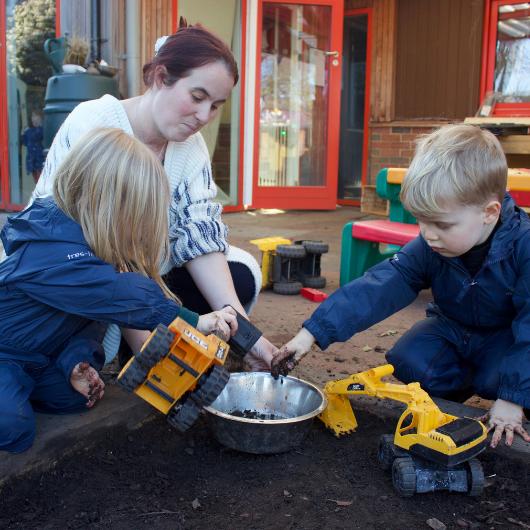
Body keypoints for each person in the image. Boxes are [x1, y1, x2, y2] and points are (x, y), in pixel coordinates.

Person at [30, 21, 276, 370]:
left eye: (216, 105)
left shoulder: (190, 147)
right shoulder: (96, 124)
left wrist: (250, 339)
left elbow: (199, 237)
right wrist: (149, 350)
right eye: (197, 97)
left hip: (146, 279)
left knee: (241, 277)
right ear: (161, 77)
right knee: (66, 348)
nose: (205, 116)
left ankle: (152, 336)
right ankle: (140, 345)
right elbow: (102, 250)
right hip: (80, 274)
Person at [272, 124, 530, 449]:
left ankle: (516, 404)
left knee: (500, 380)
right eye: (421, 221)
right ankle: (455, 395)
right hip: (454, 328)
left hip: (506, 338)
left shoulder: (523, 245)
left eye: (441, 224)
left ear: (489, 213)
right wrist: (311, 333)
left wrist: (513, 395)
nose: (428, 233)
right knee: (410, 359)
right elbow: (380, 286)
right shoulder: (432, 244)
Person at [0, 128, 239, 454]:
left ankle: (21, 386)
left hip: (40, 357)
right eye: (136, 217)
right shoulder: (53, 251)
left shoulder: (92, 248)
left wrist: (76, 361)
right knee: (13, 428)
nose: (139, 229)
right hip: (6, 354)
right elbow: (121, 296)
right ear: (107, 205)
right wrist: (197, 322)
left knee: (74, 398)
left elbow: (90, 321)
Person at [21, 110, 45, 183]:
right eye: (32, 116)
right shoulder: (30, 130)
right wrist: (23, 135)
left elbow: (36, 136)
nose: (33, 118)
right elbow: (25, 143)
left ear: (40, 118)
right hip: (32, 160)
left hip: (39, 159)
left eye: (35, 116)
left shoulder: (42, 129)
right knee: (36, 180)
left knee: (40, 180)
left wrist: (26, 132)